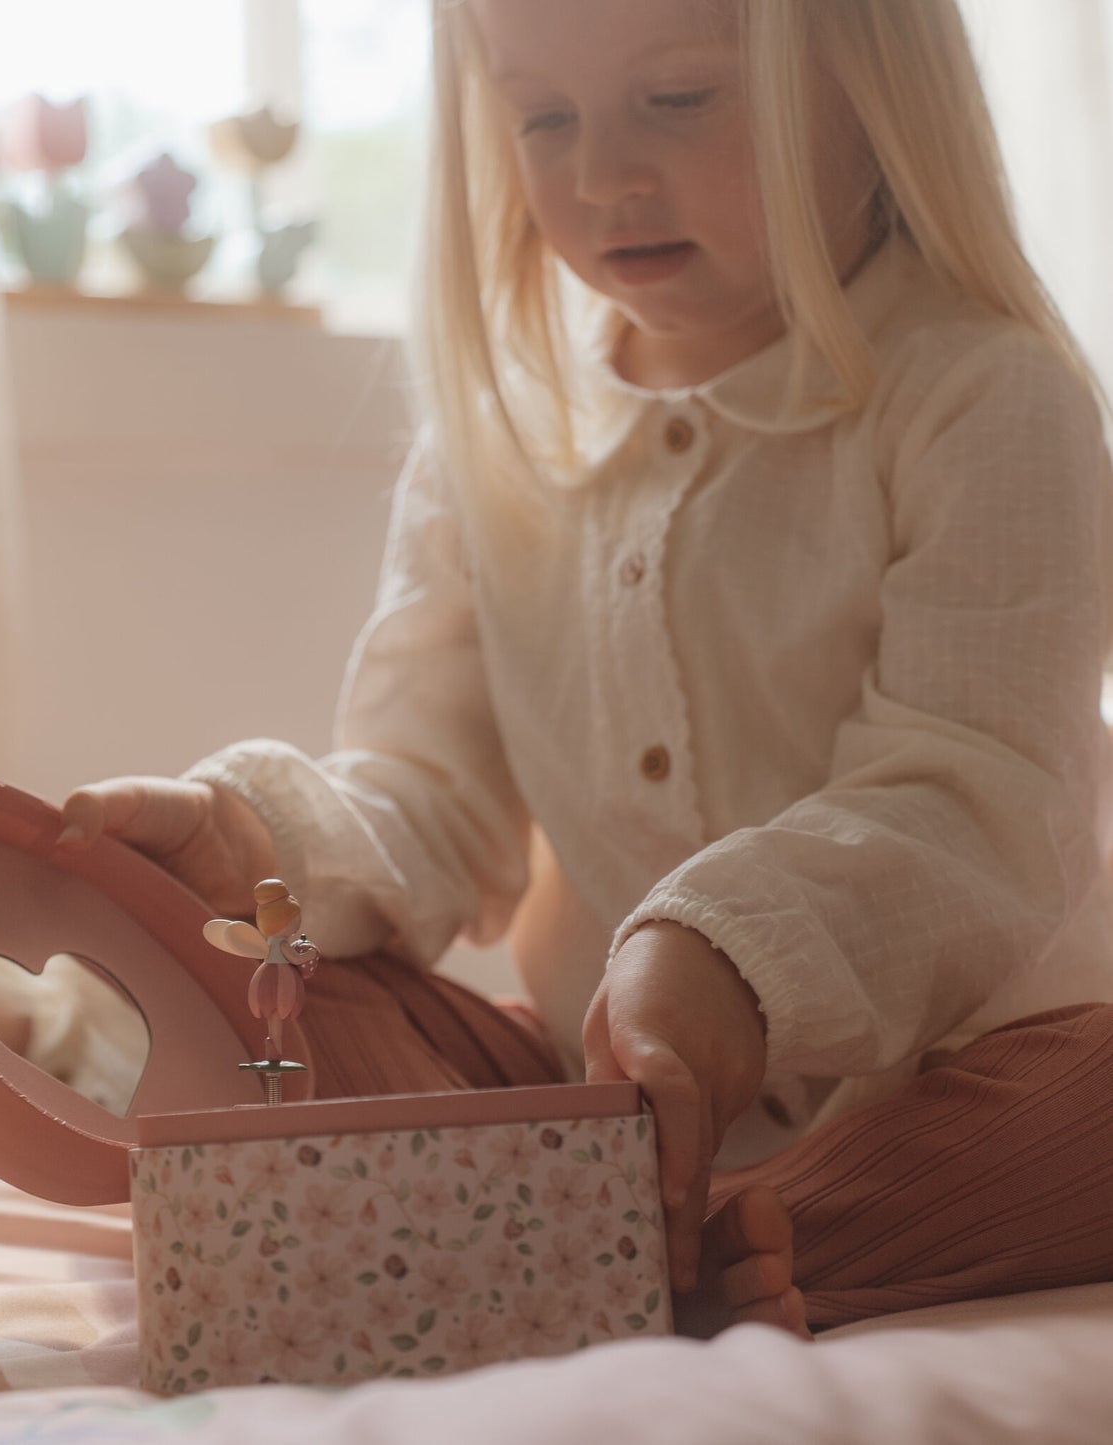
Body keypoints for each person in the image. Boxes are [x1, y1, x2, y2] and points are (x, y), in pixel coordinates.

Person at [56, 0, 1113, 1338]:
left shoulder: (987, 396)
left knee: (1092, 1097)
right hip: (594, 1091)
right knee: (299, 998)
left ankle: (665, 1229)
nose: (600, 174)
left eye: (677, 100)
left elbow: (978, 798)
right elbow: (424, 795)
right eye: (541, 116)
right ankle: (650, 1230)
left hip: (949, 1077)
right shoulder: (502, 426)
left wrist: (727, 954)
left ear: (871, 82)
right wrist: (248, 844)